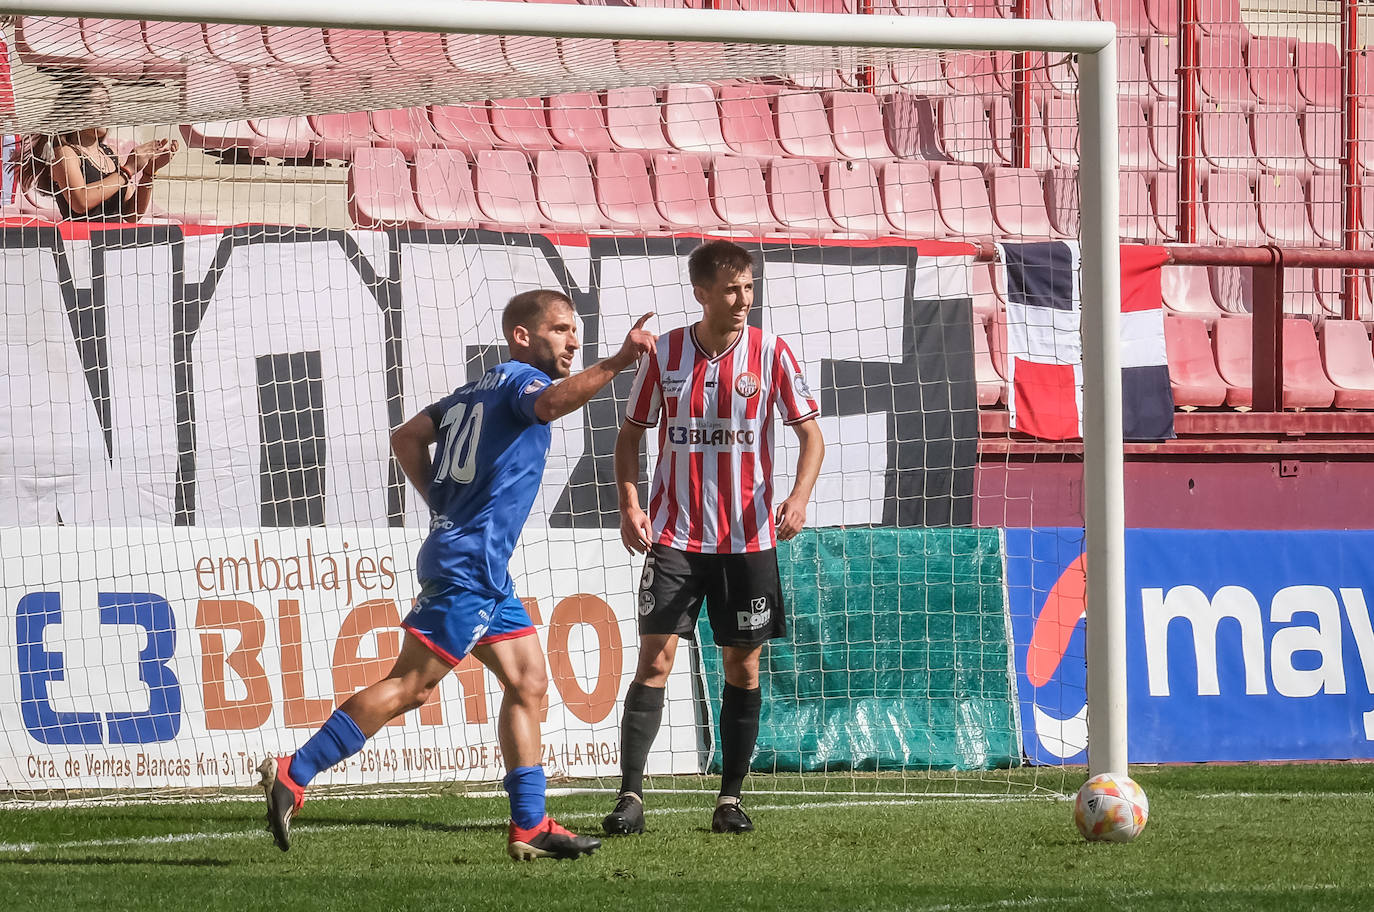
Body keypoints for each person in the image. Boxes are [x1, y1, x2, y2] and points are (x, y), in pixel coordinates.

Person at [259, 289, 656, 862]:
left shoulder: (476, 389)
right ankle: (295, 773)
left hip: (482, 570)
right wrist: (616, 364)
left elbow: (406, 438)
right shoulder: (524, 383)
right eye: (561, 330)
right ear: (523, 335)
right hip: (469, 566)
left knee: (528, 682)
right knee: (411, 687)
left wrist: (443, 503)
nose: (573, 341)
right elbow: (550, 405)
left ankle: (530, 825)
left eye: (576, 331)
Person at [602, 240, 825, 837]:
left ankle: (729, 799)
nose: (743, 299)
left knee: (743, 668)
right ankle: (630, 796)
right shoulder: (667, 353)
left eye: (749, 288)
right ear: (701, 293)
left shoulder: (771, 351)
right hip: (675, 536)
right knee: (655, 659)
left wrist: (799, 498)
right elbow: (630, 436)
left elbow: (811, 436)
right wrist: (630, 503)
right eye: (731, 289)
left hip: (749, 540)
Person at [16, 79, 176, 222]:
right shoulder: (65, 153)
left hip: (113, 244)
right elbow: (80, 202)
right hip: (80, 244)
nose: (105, 110)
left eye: (107, 104)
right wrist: (128, 170)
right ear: (76, 109)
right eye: (97, 103)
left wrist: (149, 172)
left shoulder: (110, 154)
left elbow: (131, 214)